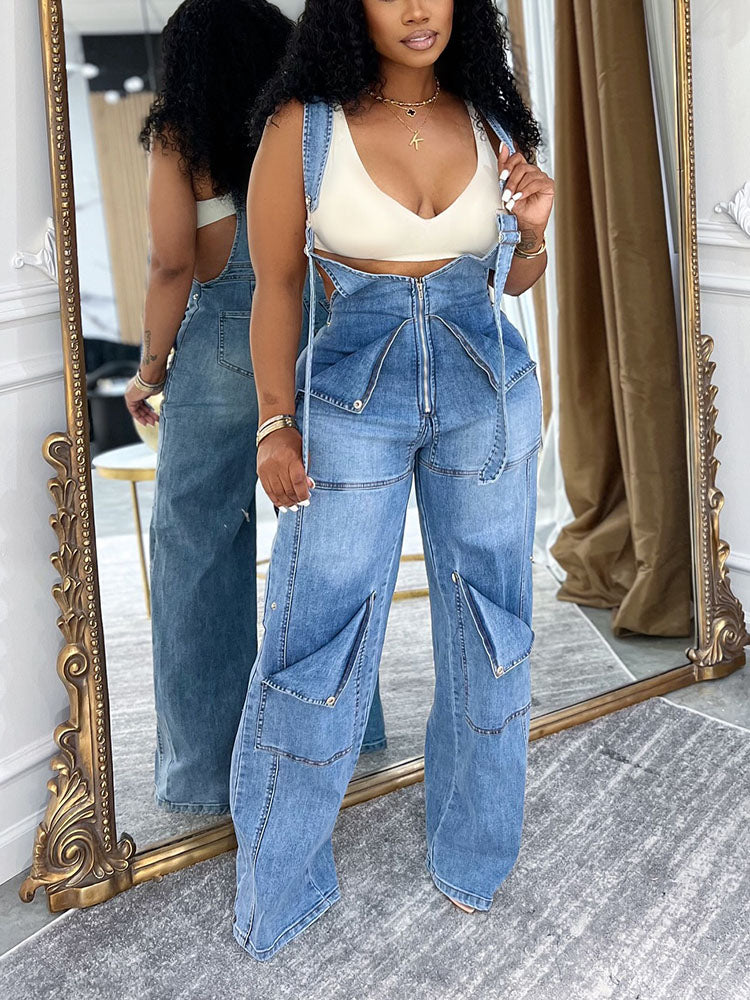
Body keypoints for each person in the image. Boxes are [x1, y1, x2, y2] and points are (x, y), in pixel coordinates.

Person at [229, 0, 554, 960]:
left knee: (492, 624)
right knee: (316, 634)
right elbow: (276, 286)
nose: (417, 9)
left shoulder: (490, 118)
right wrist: (275, 423)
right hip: (349, 401)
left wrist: (535, 230)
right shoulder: (304, 127)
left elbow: (509, 280)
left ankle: (475, 851)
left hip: (488, 391)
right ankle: (282, 882)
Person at [124, 0, 333, 815]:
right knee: (321, 547)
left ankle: (206, 773)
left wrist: (148, 372)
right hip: (311, 335)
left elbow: (172, 263)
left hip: (220, 345)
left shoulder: (181, 134)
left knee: (195, 550)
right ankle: (343, 732)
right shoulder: (308, 122)